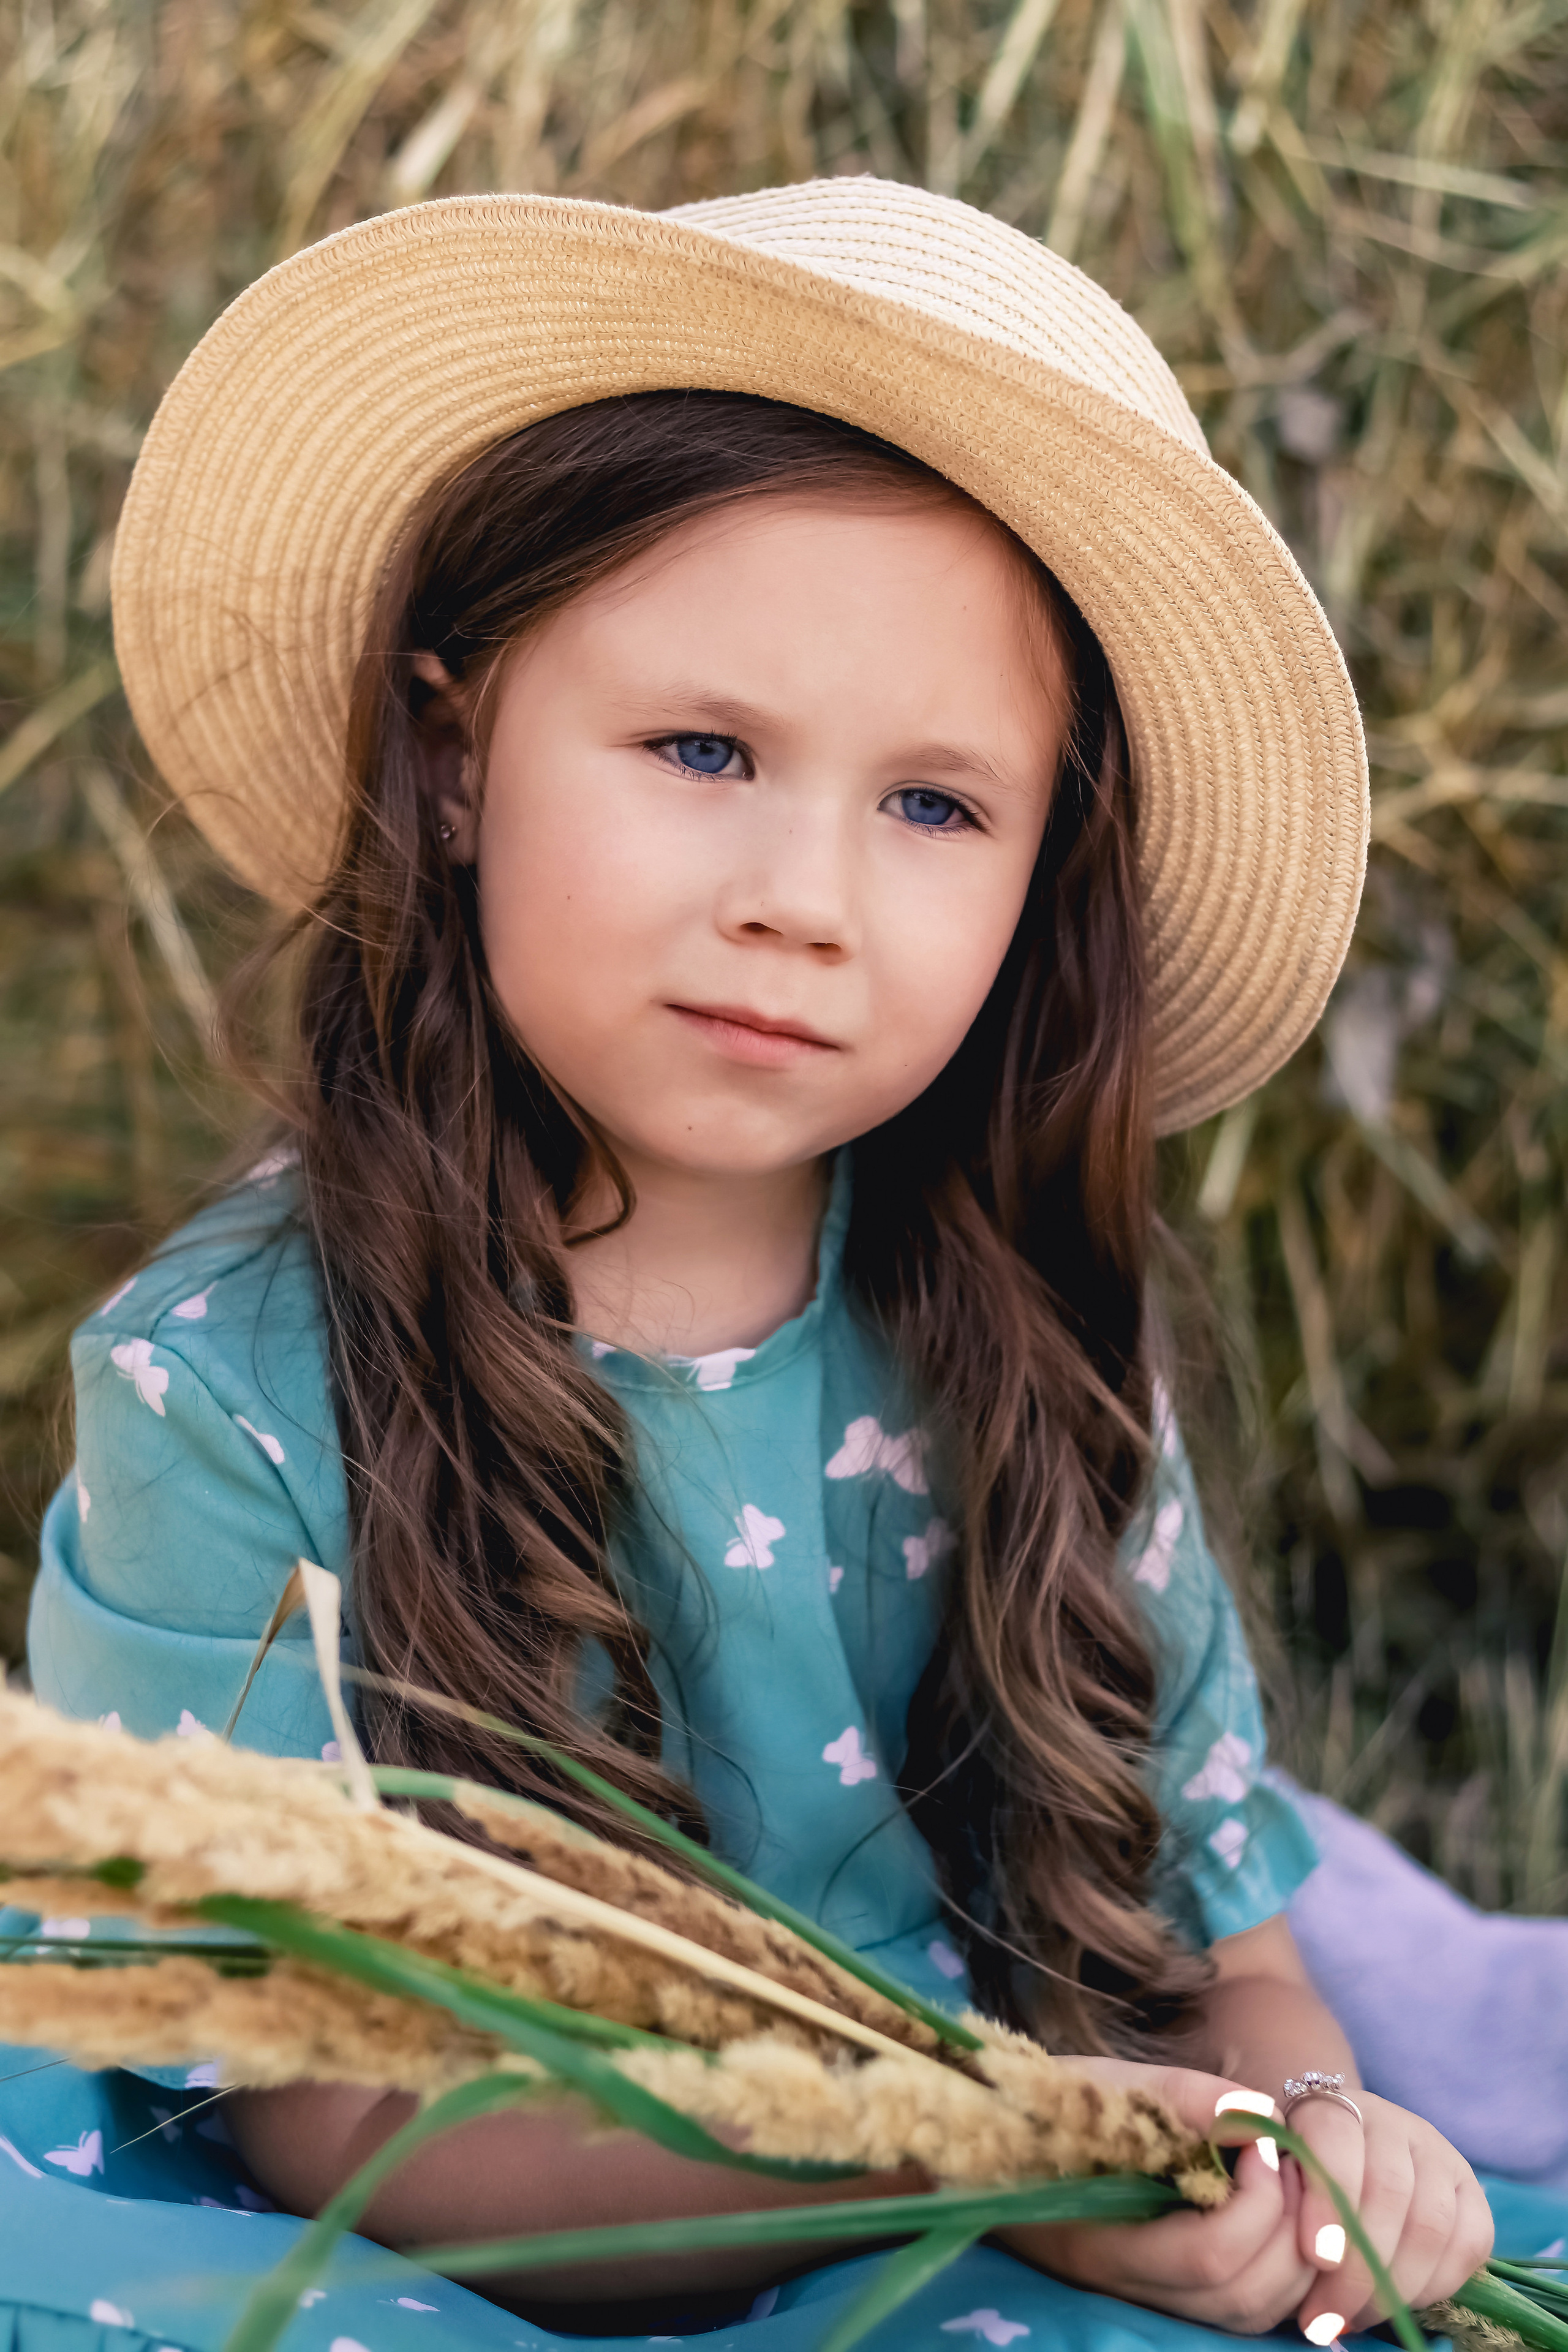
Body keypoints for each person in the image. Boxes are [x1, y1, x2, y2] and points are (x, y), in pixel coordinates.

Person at [2, 178, 1562, 2352]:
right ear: (454, 763)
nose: (802, 899)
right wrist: (950, 2166)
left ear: (1045, 878)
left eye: (936, 807)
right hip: (472, 2229)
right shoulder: (223, 1383)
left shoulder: (1045, 1349)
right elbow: (326, 2108)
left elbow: (1210, 1947)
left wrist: (1293, 2135)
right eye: (706, 752)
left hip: (1014, 2160)